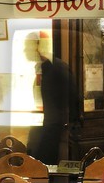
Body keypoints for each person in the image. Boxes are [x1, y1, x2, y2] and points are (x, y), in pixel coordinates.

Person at [25, 33, 72, 165]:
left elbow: (68, 99)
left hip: (53, 127)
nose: (24, 50)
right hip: (50, 125)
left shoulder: (55, 68)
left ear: (37, 47)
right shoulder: (45, 68)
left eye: (27, 46)